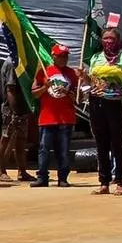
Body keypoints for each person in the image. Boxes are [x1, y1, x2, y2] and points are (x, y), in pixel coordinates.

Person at [84, 28, 122, 195]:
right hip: (96, 102)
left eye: (111, 38)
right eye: (105, 38)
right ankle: (104, 182)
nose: (108, 41)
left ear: (118, 41)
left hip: (116, 104)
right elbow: (92, 80)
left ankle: (120, 182)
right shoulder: (96, 57)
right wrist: (83, 77)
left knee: (118, 143)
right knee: (101, 143)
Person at [30, 44, 77, 187]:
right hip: (47, 118)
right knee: (43, 149)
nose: (64, 59)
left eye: (66, 56)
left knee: (63, 150)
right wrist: (45, 87)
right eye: (60, 56)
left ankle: (63, 178)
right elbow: (34, 94)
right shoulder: (44, 71)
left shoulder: (72, 73)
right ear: (53, 56)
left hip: (66, 118)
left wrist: (67, 92)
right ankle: (42, 177)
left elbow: (77, 98)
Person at [0, 50, 35, 183]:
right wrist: (14, 112)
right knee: (5, 139)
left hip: (22, 108)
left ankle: (22, 171)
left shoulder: (22, 62)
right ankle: (1, 171)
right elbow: (10, 89)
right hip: (11, 109)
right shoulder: (11, 63)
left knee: (21, 140)